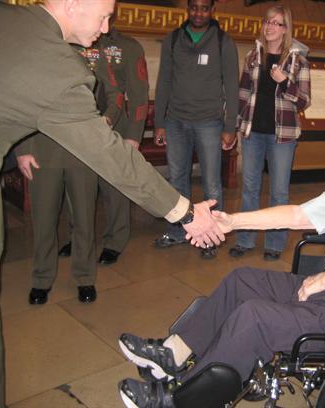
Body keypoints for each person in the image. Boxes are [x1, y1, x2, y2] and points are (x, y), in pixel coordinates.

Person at [0, 0, 225, 406]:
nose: (108, 26)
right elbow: (113, 158)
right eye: (104, 15)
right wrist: (185, 212)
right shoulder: (58, 67)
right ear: (73, 4)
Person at [117, 114, 325, 407]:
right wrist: (233, 222)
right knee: (241, 280)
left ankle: (178, 402)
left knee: (254, 317)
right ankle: (172, 355)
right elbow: (299, 214)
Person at [152, 0, 239, 259]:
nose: (198, 13)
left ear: (212, 10)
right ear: (187, 9)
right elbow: (164, 81)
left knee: (212, 183)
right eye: (194, 7)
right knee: (177, 179)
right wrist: (160, 122)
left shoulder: (223, 42)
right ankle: (178, 231)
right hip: (176, 121)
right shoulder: (173, 39)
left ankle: (211, 237)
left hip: (209, 122)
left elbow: (231, 86)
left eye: (204, 8)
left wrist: (230, 126)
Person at [59, 27, 150, 267]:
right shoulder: (70, 42)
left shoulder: (127, 47)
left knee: (115, 189)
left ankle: (115, 240)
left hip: (115, 128)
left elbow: (139, 93)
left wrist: (134, 135)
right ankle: (77, 236)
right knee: (76, 186)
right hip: (77, 128)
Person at [230, 5, 311, 261]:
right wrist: (235, 126)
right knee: (249, 189)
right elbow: (243, 95)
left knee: (279, 192)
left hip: (282, 136)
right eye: (267, 22)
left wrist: (284, 82)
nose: (270, 27)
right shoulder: (253, 56)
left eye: (277, 23)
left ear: (286, 29)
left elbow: (304, 101)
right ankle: (244, 240)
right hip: (253, 133)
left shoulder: (298, 61)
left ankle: (275, 244)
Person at [15, 130, 100, 304]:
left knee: (84, 219)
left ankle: (85, 277)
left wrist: (104, 127)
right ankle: (41, 278)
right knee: (43, 221)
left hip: (83, 149)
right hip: (41, 149)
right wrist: (22, 149)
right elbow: (20, 113)